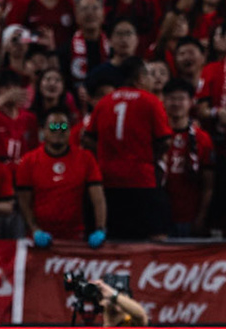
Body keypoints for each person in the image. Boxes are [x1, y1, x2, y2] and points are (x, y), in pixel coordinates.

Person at [85, 58, 171, 239]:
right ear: (140, 77)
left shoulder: (104, 102)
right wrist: (151, 156)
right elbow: (165, 141)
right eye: (149, 75)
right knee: (155, 238)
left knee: (115, 239)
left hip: (108, 181)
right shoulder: (151, 101)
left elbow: (87, 139)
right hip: (142, 180)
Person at [15, 105, 106, 247]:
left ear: (70, 130)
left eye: (63, 126)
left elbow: (98, 199)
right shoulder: (28, 161)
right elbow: (24, 202)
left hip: (75, 237)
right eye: (53, 126)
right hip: (39, 239)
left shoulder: (86, 158)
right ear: (43, 131)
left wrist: (100, 229)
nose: (58, 130)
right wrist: (35, 230)